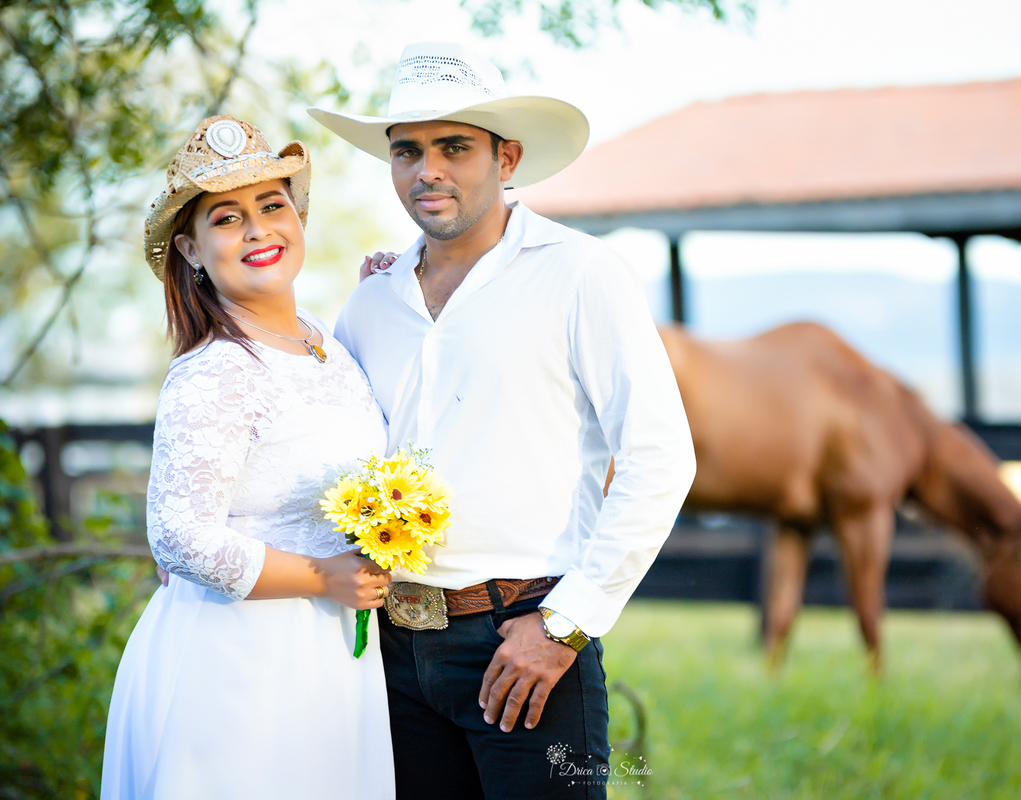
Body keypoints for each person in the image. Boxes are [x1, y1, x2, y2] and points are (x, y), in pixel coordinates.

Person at [309, 42, 696, 798]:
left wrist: (565, 626)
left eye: (455, 148)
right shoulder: (370, 302)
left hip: (524, 641)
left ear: (507, 157)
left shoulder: (580, 274)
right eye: (408, 151)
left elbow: (660, 456)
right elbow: (327, 444)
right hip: (389, 652)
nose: (429, 171)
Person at [101, 116, 395, 800]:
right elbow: (178, 535)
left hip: (329, 656)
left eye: (272, 205)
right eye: (228, 218)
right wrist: (325, 577)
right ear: (192, 250)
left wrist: (389, 288)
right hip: (238, 661)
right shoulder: (216, 370)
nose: (259, 229)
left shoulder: (329, 341)